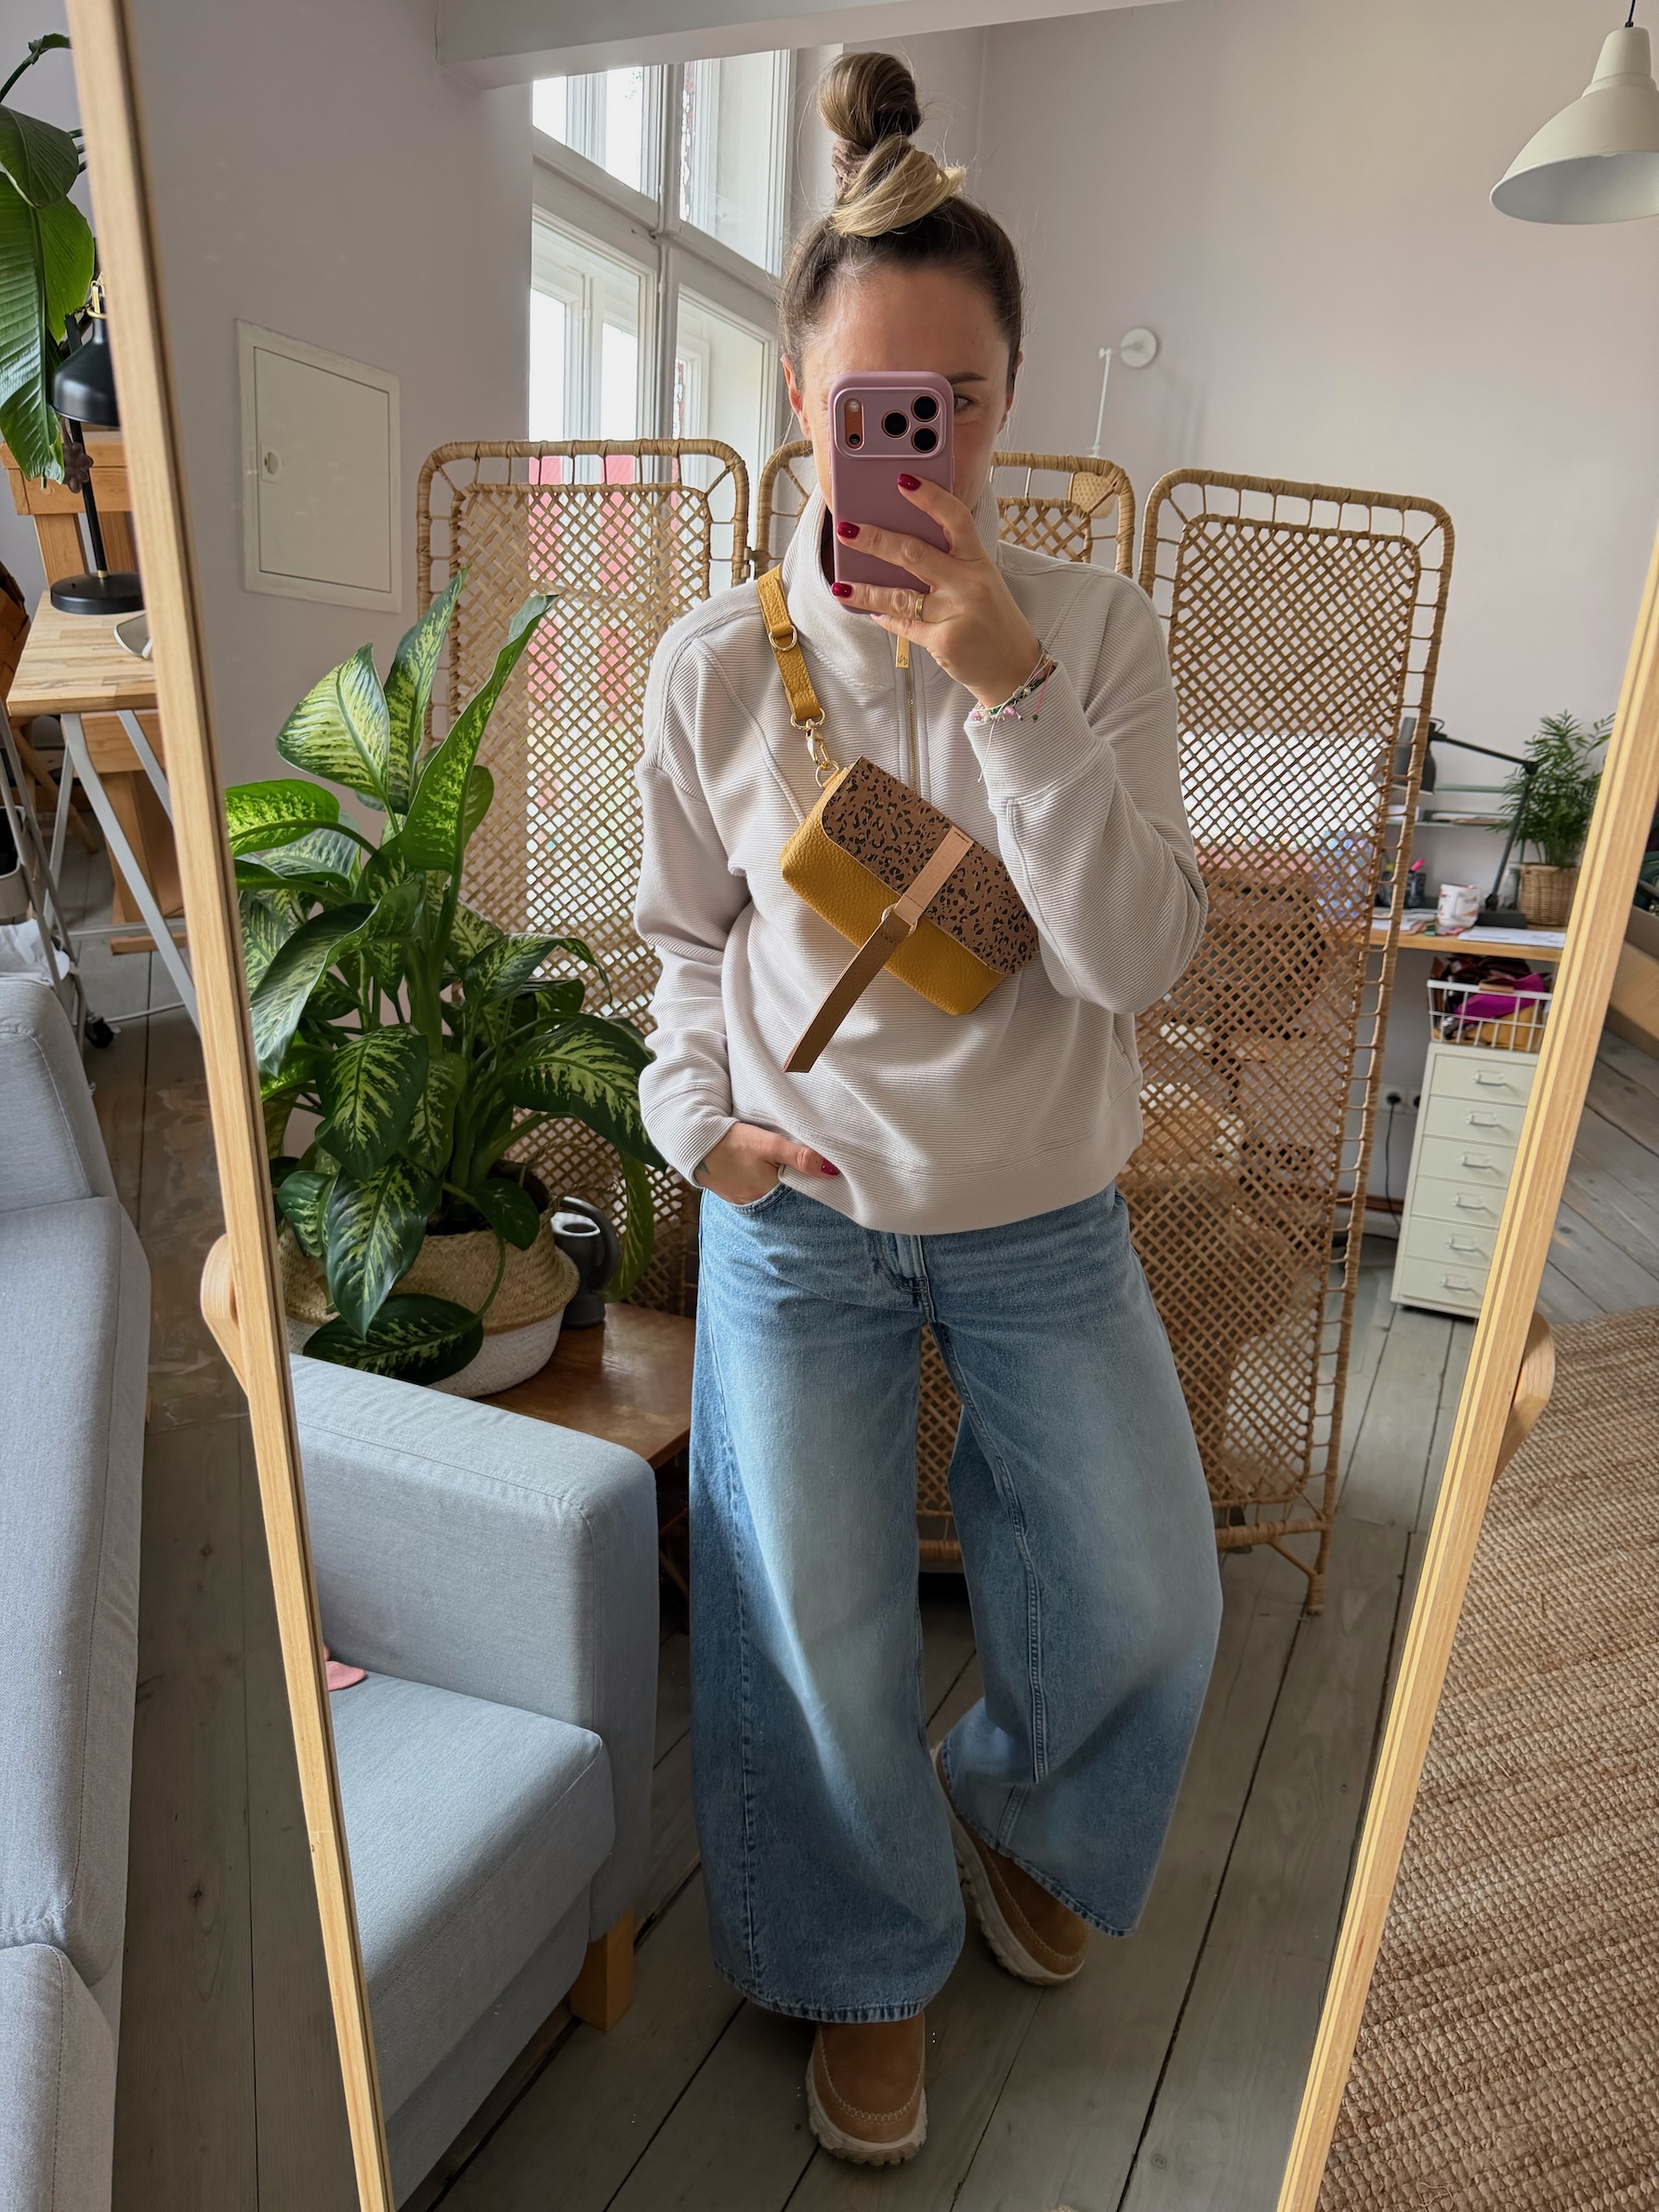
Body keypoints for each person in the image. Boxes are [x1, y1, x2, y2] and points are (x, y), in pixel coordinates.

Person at [632, 50, 1222, 2168]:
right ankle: (861, 1958)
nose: (919, 447)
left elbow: (1132, 958)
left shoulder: (1096, 631)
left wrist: (1008, 687)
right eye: (873, 405)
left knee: (1150, 1592)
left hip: (1042, 1204)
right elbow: (679, 945)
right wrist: (694, 1125)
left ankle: (1015, 1816)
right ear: (800, 403)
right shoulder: (712, 666)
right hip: (799, 1210)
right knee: (811, 1622)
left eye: (956, 403)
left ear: (1008, 400)